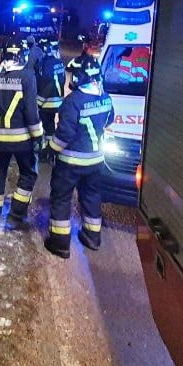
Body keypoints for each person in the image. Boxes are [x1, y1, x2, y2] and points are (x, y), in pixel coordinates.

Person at [43, 53, 115, 259]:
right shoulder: (105, 97)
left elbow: (65, 134)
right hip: (96, 162)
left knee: (61, 198)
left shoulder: (72, 101)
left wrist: (51, 149)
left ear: (81, 76)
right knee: (91, 197)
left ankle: (60, 244)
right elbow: (110, 119)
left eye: (74, 74)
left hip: (70, 163)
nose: (72, 78)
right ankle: (92, 238)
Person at [0, 38, 44, 232]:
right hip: (22, 140)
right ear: (22, 55)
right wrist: (38, 137)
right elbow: (31, 113)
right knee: (28, 174)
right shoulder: (27, 77)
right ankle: (16, 216)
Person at [34, 36, 66, 144]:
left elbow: (45, 84)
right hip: (58, 101)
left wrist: (38, 103)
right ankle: (50, 146)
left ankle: (43, 147)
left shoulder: (44, 64)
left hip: (46, 103)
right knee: (50, 125)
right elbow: (62, 80)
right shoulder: (60, 63)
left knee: (43, 126)